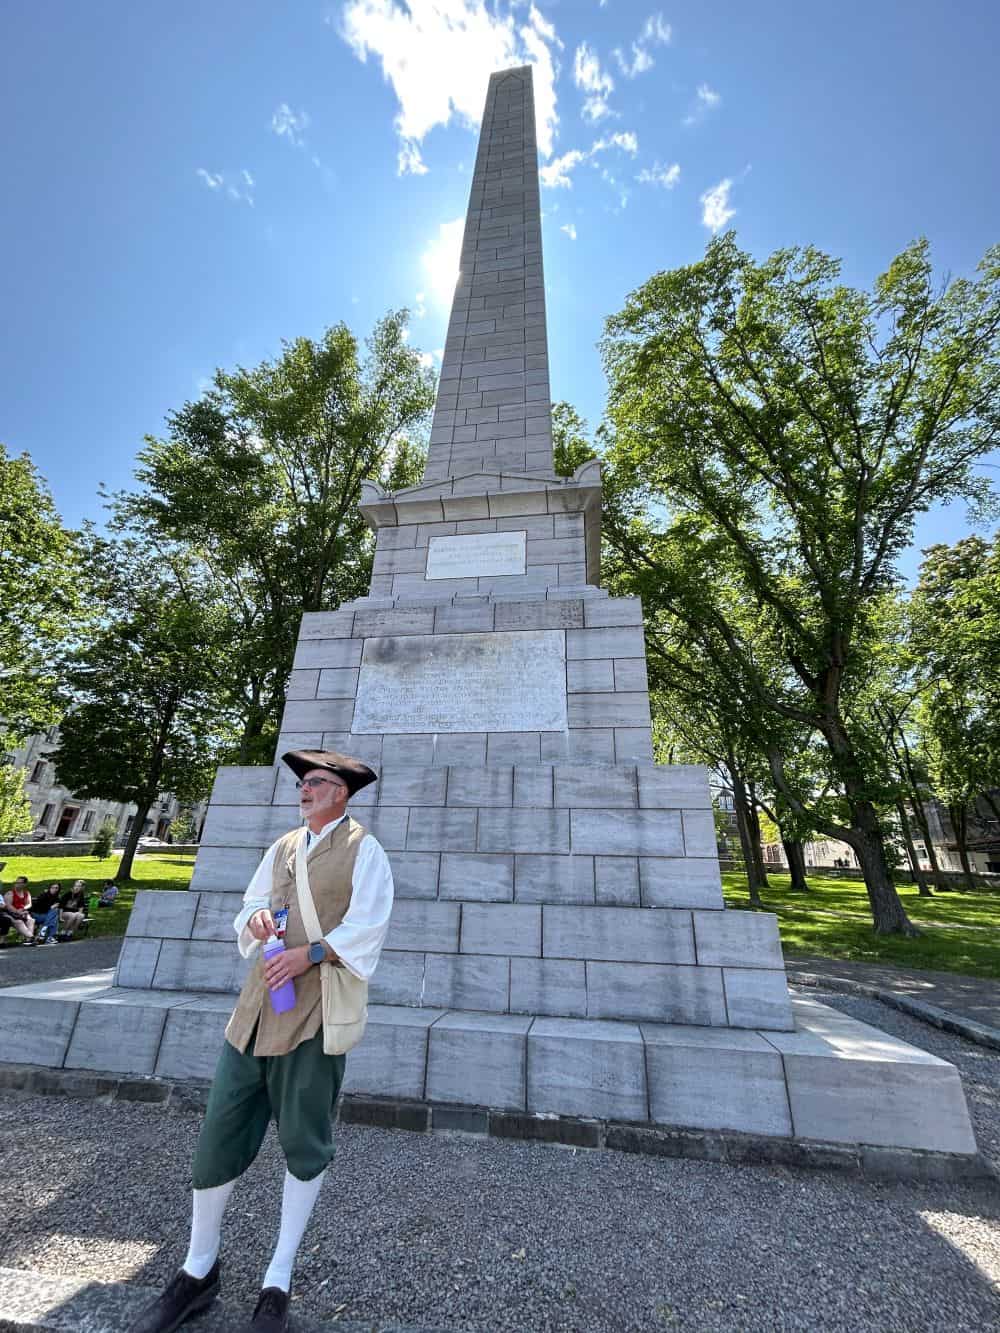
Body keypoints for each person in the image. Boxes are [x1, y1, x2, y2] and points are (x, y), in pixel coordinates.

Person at [130, 749, 394, 1333]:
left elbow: (370, 923)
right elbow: (251, 903)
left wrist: (310, 953)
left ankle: (278, 1277)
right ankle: (198, 1269)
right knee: (219, 1133)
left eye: (317, 782)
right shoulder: (282, 846)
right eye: (303, 782)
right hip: (256, 1010)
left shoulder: (364, 849)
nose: (305, 789)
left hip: (314, 1012)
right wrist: (253, 921)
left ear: (342, 793)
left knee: (303, 1140)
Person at [3, 877, 35, 943]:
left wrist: (23, 909)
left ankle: (28, 940)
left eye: (19, 883)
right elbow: (8, 906)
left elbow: (29, 904)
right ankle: (31, 937)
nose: (17, 884)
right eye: (16, 882)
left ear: (25, 884)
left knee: (31, 920)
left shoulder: (26, 893)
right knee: (19, 922)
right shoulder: (10, 893)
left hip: (23, 912)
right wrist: (17, 911)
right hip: (11, 913)